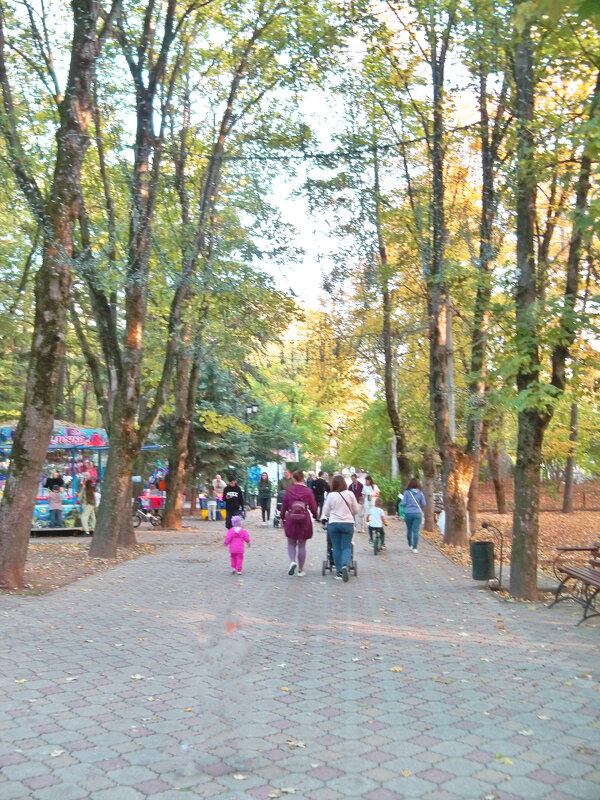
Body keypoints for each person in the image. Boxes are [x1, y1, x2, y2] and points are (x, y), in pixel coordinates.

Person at [280, 469, 318, 577]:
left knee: (291, 543)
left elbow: (283, 506)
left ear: (294, 478)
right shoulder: (308, 491)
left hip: (291, 519)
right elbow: (313, 506)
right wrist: (316, 516)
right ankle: (300, 570)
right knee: (302, 544)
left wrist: (281, 518)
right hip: (304, 520)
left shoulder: (289, 490)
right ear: (302, 478)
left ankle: (292, 561)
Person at [322, 474, 359, 582]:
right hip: (347, 524)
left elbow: (326, 512)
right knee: (347, 546)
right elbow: (356, 510)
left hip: (334, 524)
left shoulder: (331, 495)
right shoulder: (350, 494)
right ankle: (345, 565)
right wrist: (348, 513)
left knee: (336, 547)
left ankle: (338, 572)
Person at [402, 477, 427, 553]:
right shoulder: (420, 493)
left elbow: (403, 503)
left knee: (409, 530)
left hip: (408, 513)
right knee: (416, 531)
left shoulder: (407, 493)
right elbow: (424, 504)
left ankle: (410, 545)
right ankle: (415, 548)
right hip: (417, 514)